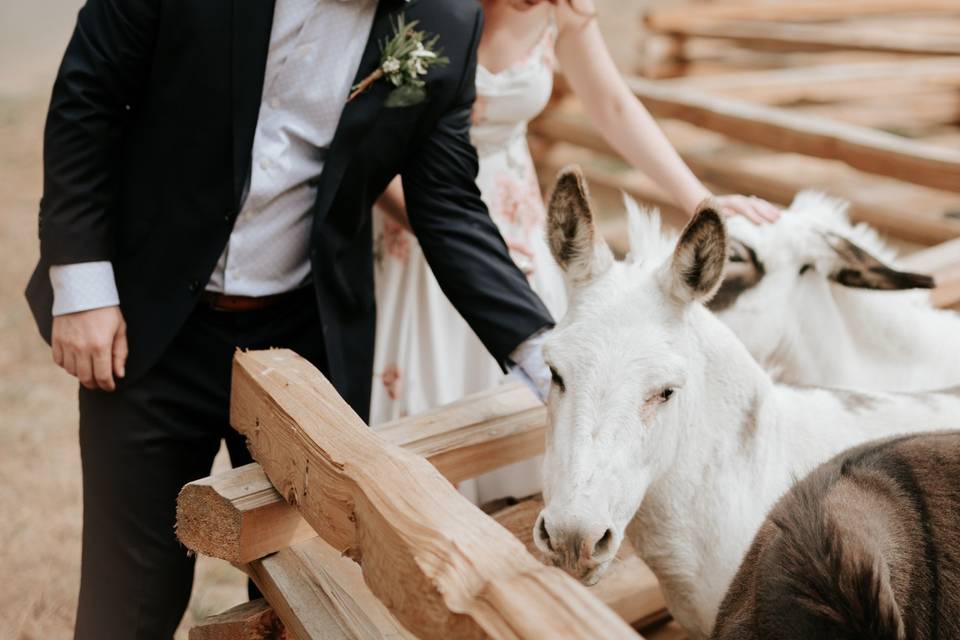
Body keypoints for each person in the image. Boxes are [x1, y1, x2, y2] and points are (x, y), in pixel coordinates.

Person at [24, 1, 555, 637]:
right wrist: (83, 286)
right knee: (128, 595)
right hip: (149, 323)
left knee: (303, 597)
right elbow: (89, 97)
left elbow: (446, 205)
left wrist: (542, 352)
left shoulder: (446, 21)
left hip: (308, 347)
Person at [369, 0, 780, 504]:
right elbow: (370, 138)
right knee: (426, 380)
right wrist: (439, 231)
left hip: (513, 211)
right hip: (415, 211)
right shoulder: (423, 8)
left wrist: (699, 199)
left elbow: (612, 104)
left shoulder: (563, 11)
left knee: (540, 375)